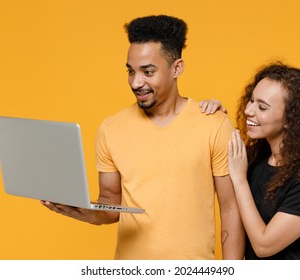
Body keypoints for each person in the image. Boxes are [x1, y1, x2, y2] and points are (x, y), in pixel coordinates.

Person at [42, 15, 245, 260]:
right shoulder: (111, 128)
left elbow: (230, 209)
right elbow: (110, 207)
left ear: (176, 68)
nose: (136, 82)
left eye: (148, 72)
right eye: (131, 71)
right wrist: (77, 210)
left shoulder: (213, 124)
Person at [226, 61, 300, 259]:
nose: (249, 110)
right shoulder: (253, 158)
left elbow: (264, 246)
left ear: (291, 120)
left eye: (262, 107)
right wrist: (212, 115)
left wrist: (239, 179)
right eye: (251, 100)